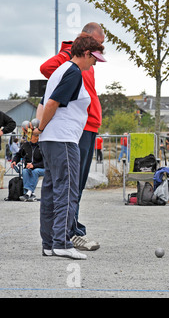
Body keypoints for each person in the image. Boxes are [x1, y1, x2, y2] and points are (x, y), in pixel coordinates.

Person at [33, 33, 106, 260]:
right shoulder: (73, 72)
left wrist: (41, 131)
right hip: (63, 139)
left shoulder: (61, 70)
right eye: (94, 58)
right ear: (85, 54)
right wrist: (41, 128)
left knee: (51, 190)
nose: (95, 63)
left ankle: (48, 243)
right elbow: (52, 103)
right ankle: (62, 242)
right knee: (67, 189)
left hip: (52, 140)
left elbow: (43, 102)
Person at [10, 133, 44, 202]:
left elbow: (46, 162)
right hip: (29, 168)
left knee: (35, 171)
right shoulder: (25, 145)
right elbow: (18, 155)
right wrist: (14, 161)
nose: (29, 136)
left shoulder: (42, 146)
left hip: (42, 169)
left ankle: (28, 193)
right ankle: (31, 194)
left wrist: (34, 165)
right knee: (25, 171)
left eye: (32, 135)